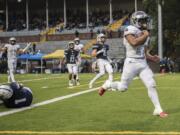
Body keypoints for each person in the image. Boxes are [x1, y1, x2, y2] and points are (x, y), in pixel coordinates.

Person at [98, 11, 168, 118]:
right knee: (123, 88)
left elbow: (144, 52)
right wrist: (145, 35)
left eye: (145, 20)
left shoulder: (145, 33)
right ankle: (107, 85)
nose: (145, 23)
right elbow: (134, 43)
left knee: (151, 84)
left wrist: (151, 57)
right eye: (142, 21)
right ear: (136, 21)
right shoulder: (129, 29)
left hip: (142, 63)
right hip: (131, 63)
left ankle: (158, 109)